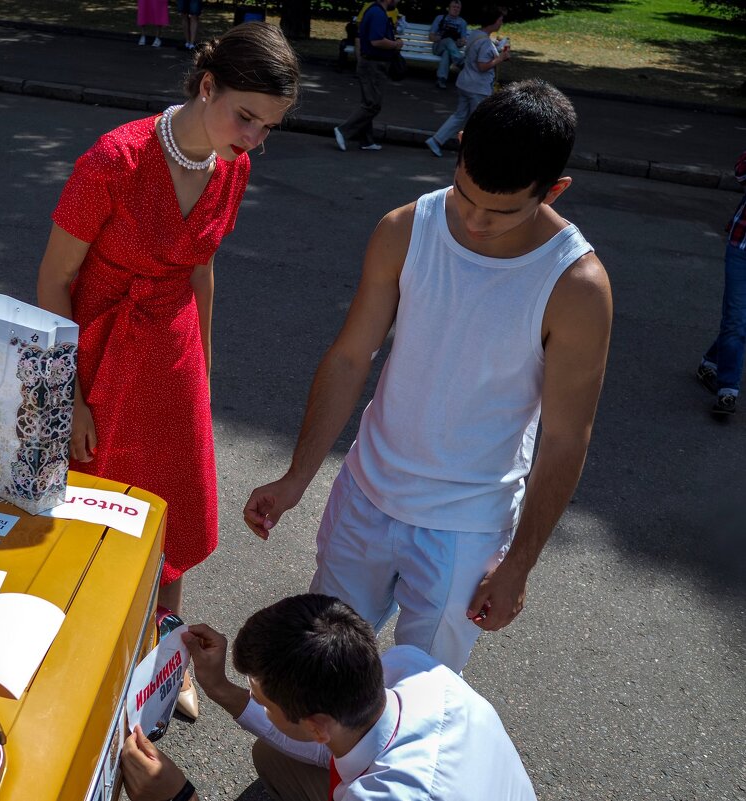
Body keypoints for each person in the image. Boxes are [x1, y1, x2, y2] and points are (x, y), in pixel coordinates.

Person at [244, 80, 613, 674]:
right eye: (466, 196)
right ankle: (309, 768)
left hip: (464, 530)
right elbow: (349, 357)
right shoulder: (405, 228)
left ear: (555, 190)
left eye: (502, 211)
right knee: (319, 676)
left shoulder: (577, 287)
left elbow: (567, 437)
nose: (474, 221)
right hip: (365, 497)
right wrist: (297, 477)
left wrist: (519, 563)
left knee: (419, 698)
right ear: (460, 146)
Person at [36, 23, 300, 717]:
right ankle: (83, 650)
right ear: (206, 85)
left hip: (172, 351)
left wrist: (203, 370)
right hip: (97, 353)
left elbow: (200, 267)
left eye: (268, 127)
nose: (253, 138)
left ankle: (166, 650)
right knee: (89, 506)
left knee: (172, 503)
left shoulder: (232, 167)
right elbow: (54, 280)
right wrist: (69, 398)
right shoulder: (113, 161)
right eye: (245, 116)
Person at [120, 594, 536, 801]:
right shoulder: (409, 668)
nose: (256, 701)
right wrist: (220, 689)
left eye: (265, 702)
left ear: (318, 726)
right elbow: (329, 745)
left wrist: (178, 797)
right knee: (272, 757)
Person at [696, 148, 746, 417]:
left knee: (741, 322)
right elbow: (741, 174)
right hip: (742, 247)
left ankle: (710, 361)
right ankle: (728, 390)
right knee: (736, 320)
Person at [425, 6, 508, 158]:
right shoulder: (484, 42)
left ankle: (436, 140)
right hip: (478, 87)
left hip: (464, 83)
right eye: (500, 20)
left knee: (460, 115)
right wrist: (500, 58)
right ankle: (474, 152)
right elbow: (482, 66)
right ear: (493, 22)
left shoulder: (476, 34)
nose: (501, 23)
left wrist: (496, 50)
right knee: (479, 121)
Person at [333, 0, 404, 153]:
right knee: (372, 104)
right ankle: (343, 131)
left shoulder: (373, 10)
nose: (398, 1)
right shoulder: (378, 13)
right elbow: (377, 41)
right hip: (374, 65)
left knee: (368, 101)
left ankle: (366, 140)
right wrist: (395, 44)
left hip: (370, 63)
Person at [428, 0, 468, 89]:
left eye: (458, 7)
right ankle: (460, 62)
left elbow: (462, 41)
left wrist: (460, 42)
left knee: (447, 52)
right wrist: (439, 38)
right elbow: (431, 36)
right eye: (454, 7)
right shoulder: (440, 18)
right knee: (448, 40)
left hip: (451, 49)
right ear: (449, 8)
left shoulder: (462, 23)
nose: (456, 9)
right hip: (438, 46)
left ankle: (441, 80)